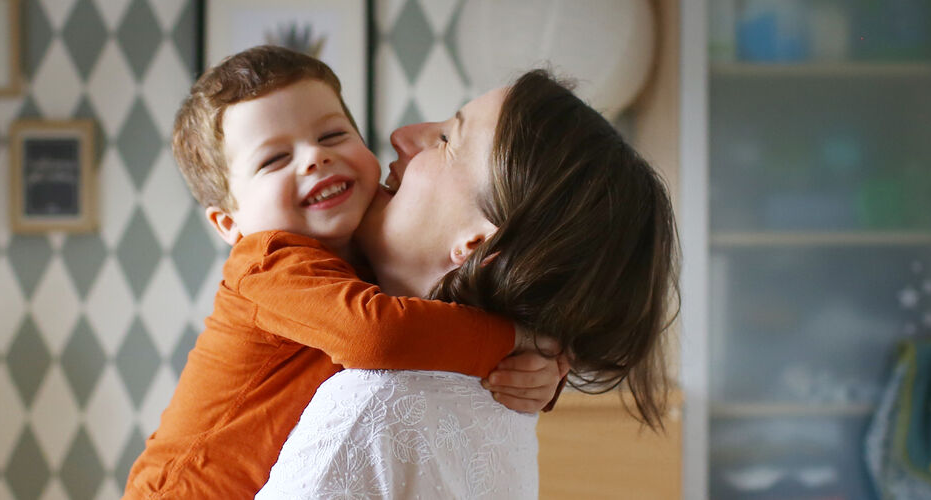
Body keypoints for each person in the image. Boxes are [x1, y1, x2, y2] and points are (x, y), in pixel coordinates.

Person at [122, 46, 566, 500]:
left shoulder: (379, 251)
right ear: (230, 224)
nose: (314, 158)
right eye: (274, 160)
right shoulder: (269, 262)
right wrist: (514, 339)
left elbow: (447, 317)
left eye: (333, 135)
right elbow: (380, 336)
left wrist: (544, 372)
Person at [257, 70, 681, 498]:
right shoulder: (505, 402)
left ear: (479, 243)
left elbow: (379, 335)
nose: (402, 135)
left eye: (445, 141)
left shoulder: (373, 408)